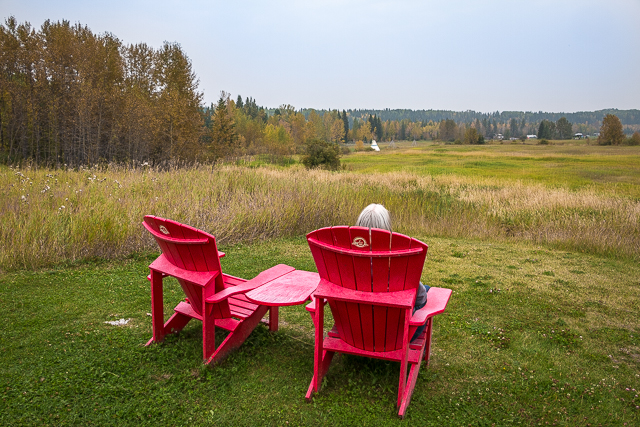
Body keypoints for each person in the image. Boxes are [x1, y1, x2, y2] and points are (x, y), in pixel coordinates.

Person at [355, 203, 430, 342]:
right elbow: (420, 298)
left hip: (358, 327)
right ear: (387, 228)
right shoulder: (397, 258)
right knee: (425, 291)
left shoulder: (346, 257)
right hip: (396, 335)